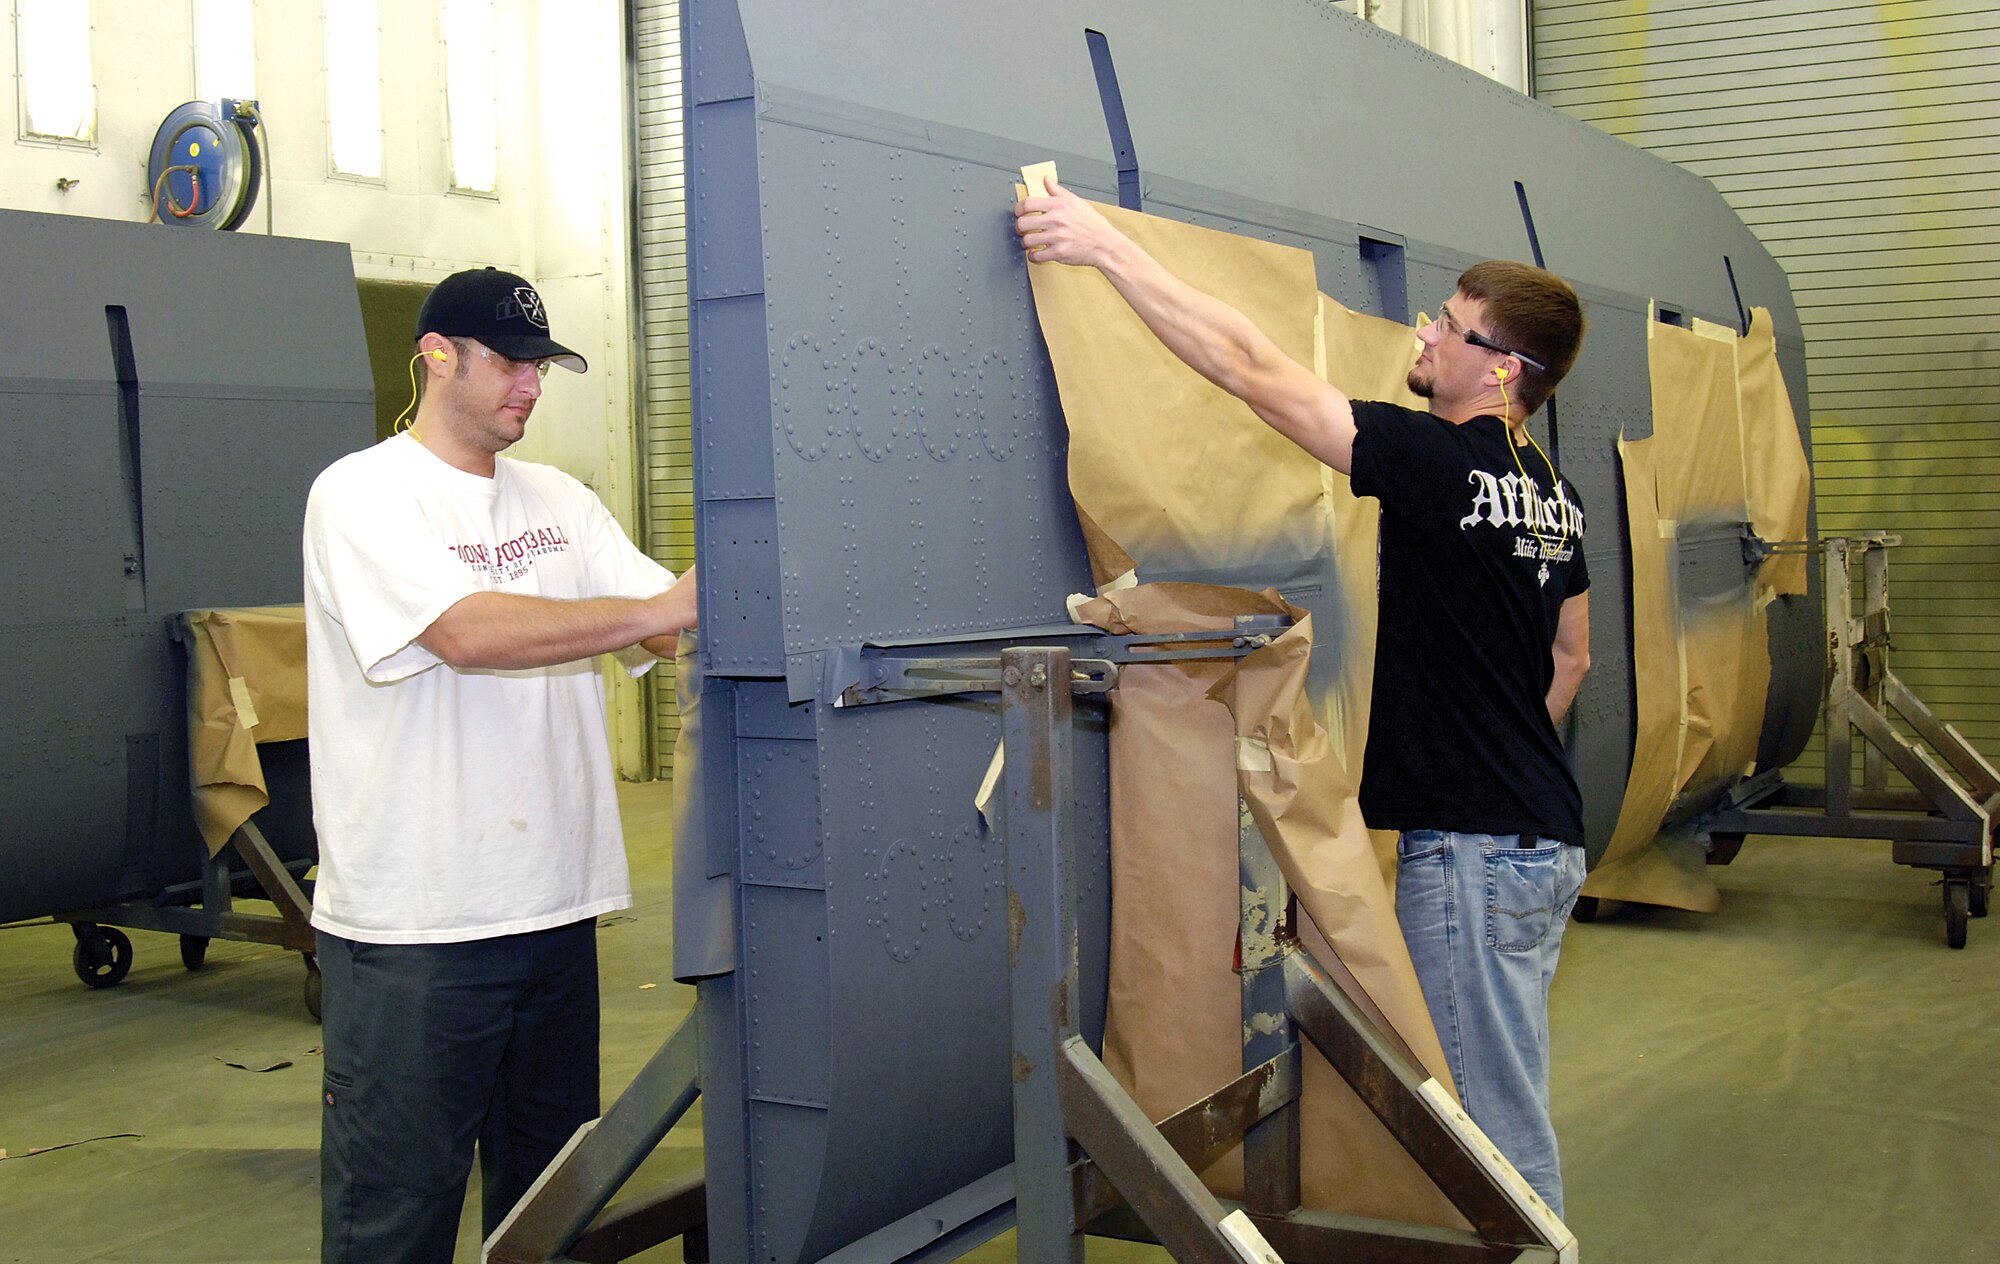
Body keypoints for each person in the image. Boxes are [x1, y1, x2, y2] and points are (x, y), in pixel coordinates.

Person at [1014, 183, 1591, 1217]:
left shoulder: (1436, 464)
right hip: (1537, 837)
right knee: (1496, 1091)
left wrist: (1103, 248)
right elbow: (1570, 657)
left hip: (1471, 850)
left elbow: (1246, 367)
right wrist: (1497, 745)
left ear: (1500, 368)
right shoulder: (1549, 487)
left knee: (1489, 1137)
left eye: (1449, 328)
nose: (1425, 333)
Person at [302, 267, 698, 1263]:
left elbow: (669, 623)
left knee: (550, 1211)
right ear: (438, 355)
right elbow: (466, 632)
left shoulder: (558, 500)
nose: (530, 385)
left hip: (554, 914)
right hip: (417, 931)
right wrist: (659, 613)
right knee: (395, 1212)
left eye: (541, 367)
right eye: (510, 363)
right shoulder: (360, 494)